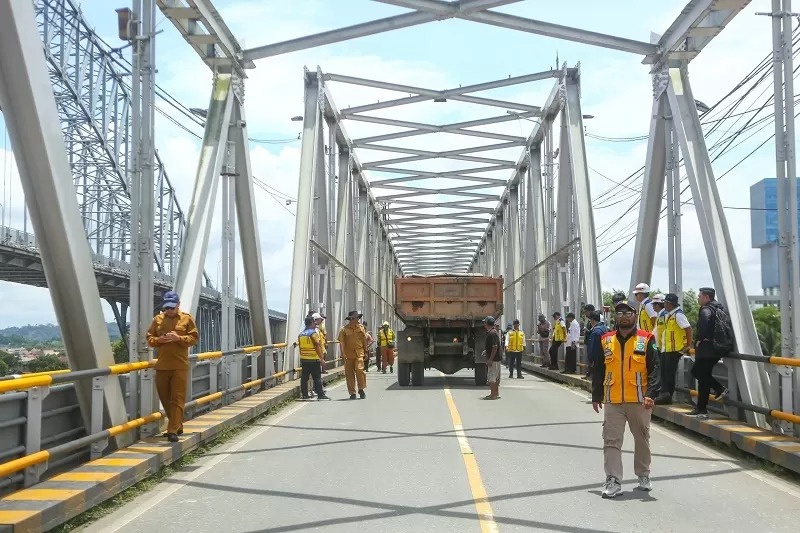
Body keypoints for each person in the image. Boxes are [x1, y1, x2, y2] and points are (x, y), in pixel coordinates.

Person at [592, 300, 660, 498]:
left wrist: (651, 394)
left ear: (635, 315)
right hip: (612, 399)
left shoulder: (646, 339)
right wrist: (596, 395)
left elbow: (655, 369)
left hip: (639, 399)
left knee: (642, 438)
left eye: (628, 313)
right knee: (611, 440)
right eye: (620, 313)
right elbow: (599, 369)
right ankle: (613, 479)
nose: (624, 317)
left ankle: (643, 474)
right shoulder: (605, 339)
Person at [146, 291, 199, 442]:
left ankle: (172, 430)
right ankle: (177, 424)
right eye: (167, 307)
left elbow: (194, 338)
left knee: (177, 398)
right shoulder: (157, 319)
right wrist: (159, 340)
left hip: (179, 366)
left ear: (178, 305)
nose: (169, 310)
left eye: (172, 307)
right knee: (165, 398)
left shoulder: (187, 318)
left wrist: (179, 338)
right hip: (162, 365)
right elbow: (149, 338)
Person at [691, 287, 729, 418]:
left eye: (700, 296)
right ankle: (701, 408)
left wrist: (700, 339)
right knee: (703, 377)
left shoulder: (706, 309)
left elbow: (705, 322)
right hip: (716, 348)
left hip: (707, 349)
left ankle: (719, 389)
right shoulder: (718, 308)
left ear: (707, 297)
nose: (698, 298)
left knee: (697, 372)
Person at [656, 293, 692, 405]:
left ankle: (667, 396)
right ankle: (664, 395)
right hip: (666, 349)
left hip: (674, 350)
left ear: (670, 303)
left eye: (665, 303)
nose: (664, 305)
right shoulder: (670, 315)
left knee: (669, 374)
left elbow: (688, 329)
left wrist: (688, 345)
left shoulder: (678, 315)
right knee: (664, 373)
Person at [337, 310, 368, 400]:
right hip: (348, 354)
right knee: (349, 374)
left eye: (358, 317)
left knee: (359, 370)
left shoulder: (361, 328)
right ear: (351, 319)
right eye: (356, 318)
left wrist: (366, 351)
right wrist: (343, 354)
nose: (357, 319)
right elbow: (342, 343)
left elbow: (364, 340)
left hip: (359, 353)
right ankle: (352, 392)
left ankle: (361, 389)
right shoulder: (344, 330)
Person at [298, 316, 330, 400]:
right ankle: (320, 394)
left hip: (304, 359)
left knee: (304, 378)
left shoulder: (301, 334)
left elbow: (300, 347)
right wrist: (322, 359)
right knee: (317, 377)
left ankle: (305, 395)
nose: (315, 325)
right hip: (313, 359)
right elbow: (317, 345)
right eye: (314, 323)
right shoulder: (313, 333)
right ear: (312, 323)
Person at [585, 311, 608, 379]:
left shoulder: (596, 332)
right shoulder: (606, 328)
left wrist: (591, 360)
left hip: (597, 360)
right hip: (606, 357)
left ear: (592, 320)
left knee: (597, 381)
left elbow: (592, 348)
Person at [482, 316, 501, 400]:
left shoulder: (491, 333)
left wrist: (490, 359)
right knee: (495, 376)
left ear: (487, 324)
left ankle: (493, 395)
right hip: (496, 358)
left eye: (484, 322)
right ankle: (495, 393)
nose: (484, 324)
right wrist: (486, 351)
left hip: (494, 359)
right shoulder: (494, 332)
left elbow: (495, 347)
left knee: (491, 377)